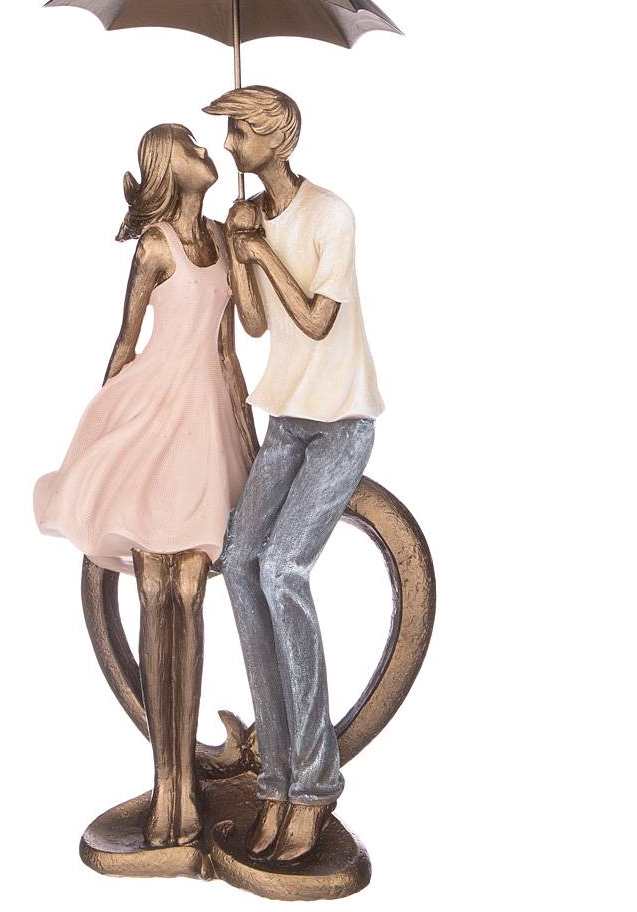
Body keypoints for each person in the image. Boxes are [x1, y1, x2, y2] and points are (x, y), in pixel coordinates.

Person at [33, 123, 256, 847]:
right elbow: (127, 342)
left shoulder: (223, 238)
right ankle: (170, 790)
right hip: (155, 419)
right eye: (190, 145)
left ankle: (185, 786)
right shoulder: (156, 245)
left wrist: (250, 444)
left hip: (205, 429)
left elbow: (229, 351)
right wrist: (97, 435)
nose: (205, 151)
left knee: (189, 591)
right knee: (156, 592)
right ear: (168, 167)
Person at [202, 86, 384, 863]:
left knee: (282, 569)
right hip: (285, 422)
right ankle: (273, 776)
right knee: (240, 561)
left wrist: (263, 251)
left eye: (240, 133)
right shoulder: (253, 217)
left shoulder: (331, 214)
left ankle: (313, 784)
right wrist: (243, 246)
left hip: (340, 422)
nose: (230, 146)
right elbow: (254, 321)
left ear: (278, 139)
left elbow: (314, 318)